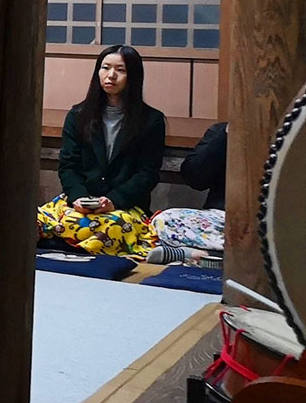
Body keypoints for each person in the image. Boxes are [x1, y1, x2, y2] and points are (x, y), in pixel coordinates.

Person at [38, 45, 166, 256]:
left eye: (121, 70)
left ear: (133, 76)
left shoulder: (150, 120)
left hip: (123, 206)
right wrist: (78, 196)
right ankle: (76, 246)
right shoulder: (78, 115)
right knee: (36, 219)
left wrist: (114, 200)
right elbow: (68, 165)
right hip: (80, 202)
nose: (111, 75)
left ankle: (69, 246)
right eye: (105, 67)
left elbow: (147, 173)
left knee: (112, 227)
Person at [146, 121, 228, 264]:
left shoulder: (279, 140)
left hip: (266, 222)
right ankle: (206, 256)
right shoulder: (220, 131)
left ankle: (200, 255)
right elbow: (195, 178)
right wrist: (225, 135)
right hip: (221, 219)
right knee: (165, 220)